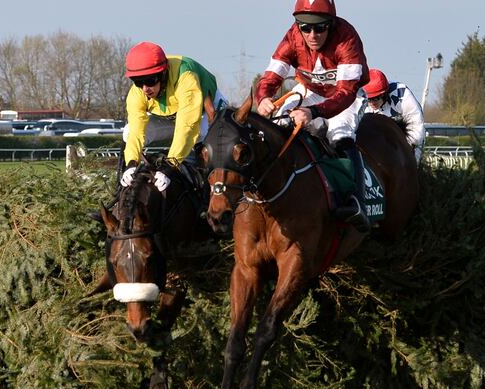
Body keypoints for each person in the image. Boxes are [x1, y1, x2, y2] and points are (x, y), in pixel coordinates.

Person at [254, 0, 371, 232]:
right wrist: (264, 98)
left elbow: (346, 92)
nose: (313, 34)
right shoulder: (292, 36)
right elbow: (271, 75)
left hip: (345, 96)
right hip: (309, 91)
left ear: (332, 24)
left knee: (340, 134)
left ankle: (357, 200)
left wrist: (313, 112)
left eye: (320, 27)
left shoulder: (346, 37)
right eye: (305, 28)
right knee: (278, 123)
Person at [120, 41, 227, 192]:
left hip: (205, 110)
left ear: (163, 73)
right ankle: (123, 186)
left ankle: (207, 188)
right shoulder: (137, 92)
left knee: (201, 135)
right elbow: (137, 132)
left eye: (150, 81)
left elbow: (187, 127)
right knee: (128, 131)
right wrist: (131, 163)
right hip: (172, 116)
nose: (145, 89)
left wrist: (170, 166)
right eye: (138, 82)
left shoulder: (186, 78)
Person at [362, 68, 425, 162]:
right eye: (369, 99)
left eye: (375, 98)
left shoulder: (402, 95)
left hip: (407, 140)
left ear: (384, 94)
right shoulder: (362, 100)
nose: (371, 103)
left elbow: (416, 131)